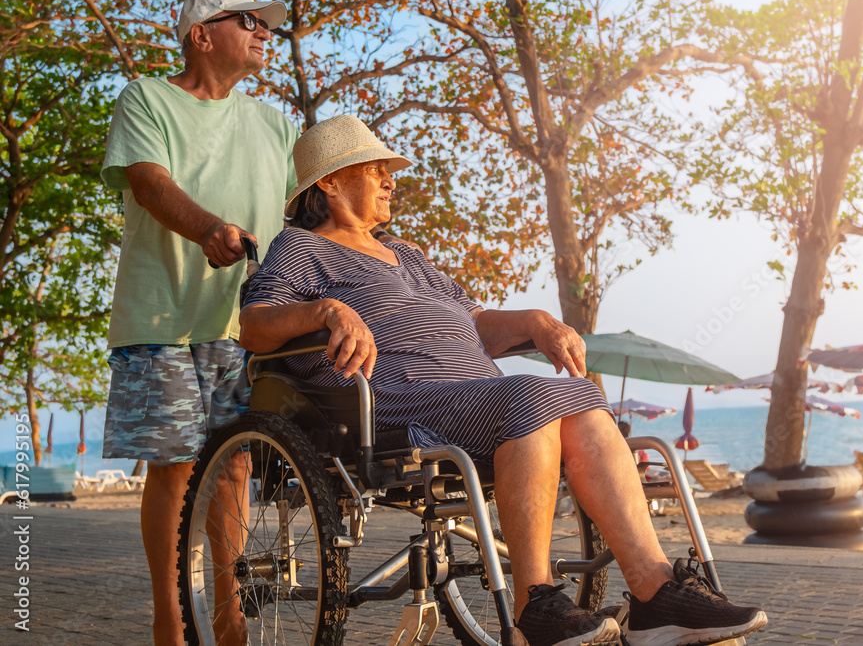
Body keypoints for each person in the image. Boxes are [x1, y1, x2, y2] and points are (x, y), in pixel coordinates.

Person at [239, 116, 768, 646]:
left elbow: (475, 323)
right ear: (329, 182)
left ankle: (656, 596)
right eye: (376, 169)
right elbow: (255, 325)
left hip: (476, 395)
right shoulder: (300, 249)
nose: (391, 179)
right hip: (401, 403)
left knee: (581, 398)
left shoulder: (406, 254)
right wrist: (327, 310)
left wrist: (534, 320)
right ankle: (533, 604)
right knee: (528, 396)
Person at [100, 0, 296, 646]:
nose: (263, 30)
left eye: (265, 24)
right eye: (248, 21)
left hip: (244, 321)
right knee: (177, 466)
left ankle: (230, 615)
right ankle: (170, 617)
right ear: (200, 35)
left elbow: (311, 208)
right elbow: (149, 182)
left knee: (235, 464)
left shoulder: (274, 124)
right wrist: (209, 227)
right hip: (162, 315)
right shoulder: (146, 98)